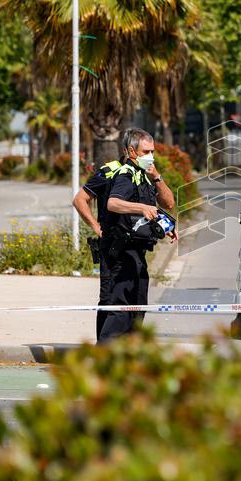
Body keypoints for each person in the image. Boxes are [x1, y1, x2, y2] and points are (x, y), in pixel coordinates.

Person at [99, 128, 176, 341]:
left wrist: (167, 225)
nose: (151, 156)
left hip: (137, 253)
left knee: (137, 308)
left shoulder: (145, 175)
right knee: (120, 311)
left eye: (153, 151)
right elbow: (113, 203)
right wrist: (141, 208)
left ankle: (129, 359)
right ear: (132, 152)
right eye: (146, 152)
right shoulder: (126, 174)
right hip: (121, 253)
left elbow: (168, 203)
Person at [72, 129, 133, 341]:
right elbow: (79, 199)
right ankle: (103, 350)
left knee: (132, 301)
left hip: (135, 249)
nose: (149, 156)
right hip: (111, 248)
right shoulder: (109, 171)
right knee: (108, 300)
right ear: (127, 151)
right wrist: (96, 226)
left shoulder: (144, 173)